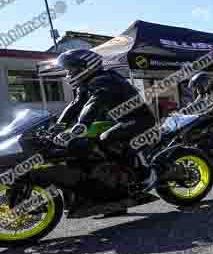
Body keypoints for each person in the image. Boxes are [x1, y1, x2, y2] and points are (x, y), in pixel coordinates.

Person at [53, 48, 158, 215]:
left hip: (140, 120)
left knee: (107, 138)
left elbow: (93, 104)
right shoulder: (88, 82)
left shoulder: (105, 80)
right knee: (97, 147)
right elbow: (76, 105)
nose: (68, 74)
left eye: (71, 69)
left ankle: (145, 174)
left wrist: (81, 125)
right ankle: (116, 196)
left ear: (85, 66)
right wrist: (58, 126)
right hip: (123, 121)